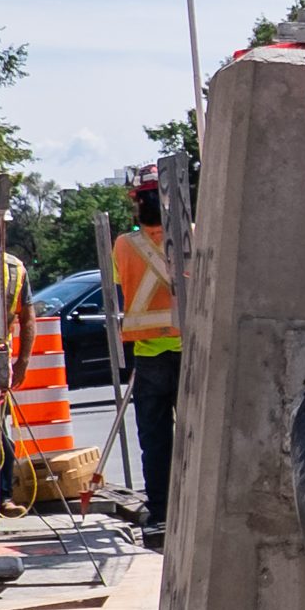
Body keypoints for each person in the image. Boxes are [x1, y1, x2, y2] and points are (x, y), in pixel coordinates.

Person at [112, 179, 182, 541]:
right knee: (196, 434)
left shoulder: (124, 244)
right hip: (189, 351)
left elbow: (117, 280)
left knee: (155, 439)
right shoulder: (191, 236)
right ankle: (195, 502)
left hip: (148, 354)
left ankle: (160, 509)